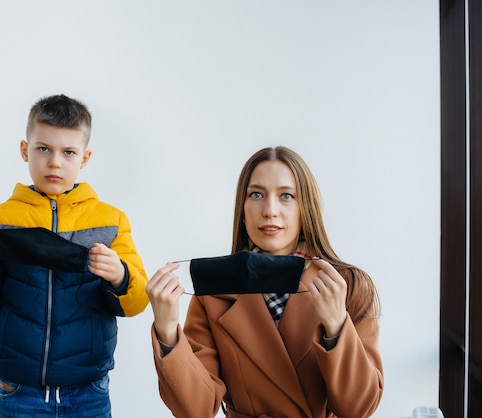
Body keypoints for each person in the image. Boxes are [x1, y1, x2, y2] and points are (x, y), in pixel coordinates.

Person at [146, 146, 383, 418]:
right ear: (243, 208)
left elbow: (360, 409)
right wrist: (167, 331)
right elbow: (195, 410)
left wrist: (336, 326)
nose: (270, 210)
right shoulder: (215, 290)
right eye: (256, 194)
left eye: (286, 196)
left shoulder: (348, 285)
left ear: (305, 207)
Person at [0, 94, 148, 418]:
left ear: (84, 158)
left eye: (68, 152)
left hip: (89, 390)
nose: (55, 162)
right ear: (25, 150)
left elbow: (137, 301)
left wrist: (120, 276)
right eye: (44, 149)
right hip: (18, 390)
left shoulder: (111, 222)